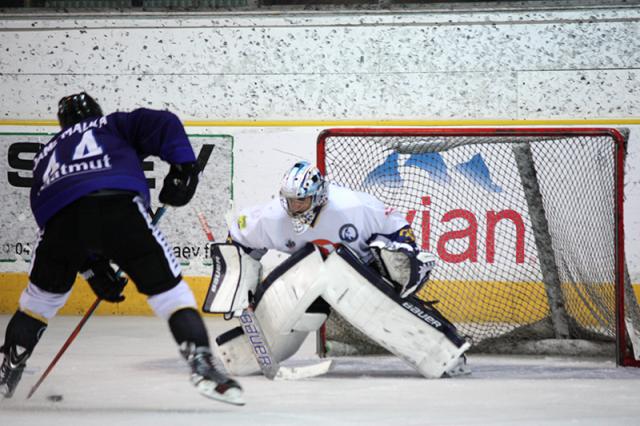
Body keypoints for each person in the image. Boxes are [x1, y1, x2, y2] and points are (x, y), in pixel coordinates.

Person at [0, 93, 244, 405]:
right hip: (118, 206)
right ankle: (201, 362)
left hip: (59, 223)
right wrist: (184, 168)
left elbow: (44, 208)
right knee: (170, 293)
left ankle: (11, 362)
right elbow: (163, 122)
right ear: (96, 112)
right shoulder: (110, 124)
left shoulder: (46, 152)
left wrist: (91, 267)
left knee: (39, 301)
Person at [213, 161, 469, 379]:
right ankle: (248, 353)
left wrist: (404, 253)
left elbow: (396, 226)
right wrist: (238, 285)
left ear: (320, 195)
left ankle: (443, 352)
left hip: (362, 272)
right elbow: (239, 241)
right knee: (308, 307)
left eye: (301, 201)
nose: (294, 207)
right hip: (313, 275)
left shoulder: (354, 207)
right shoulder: (271, 218)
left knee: (381, 301)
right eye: (289, 201)